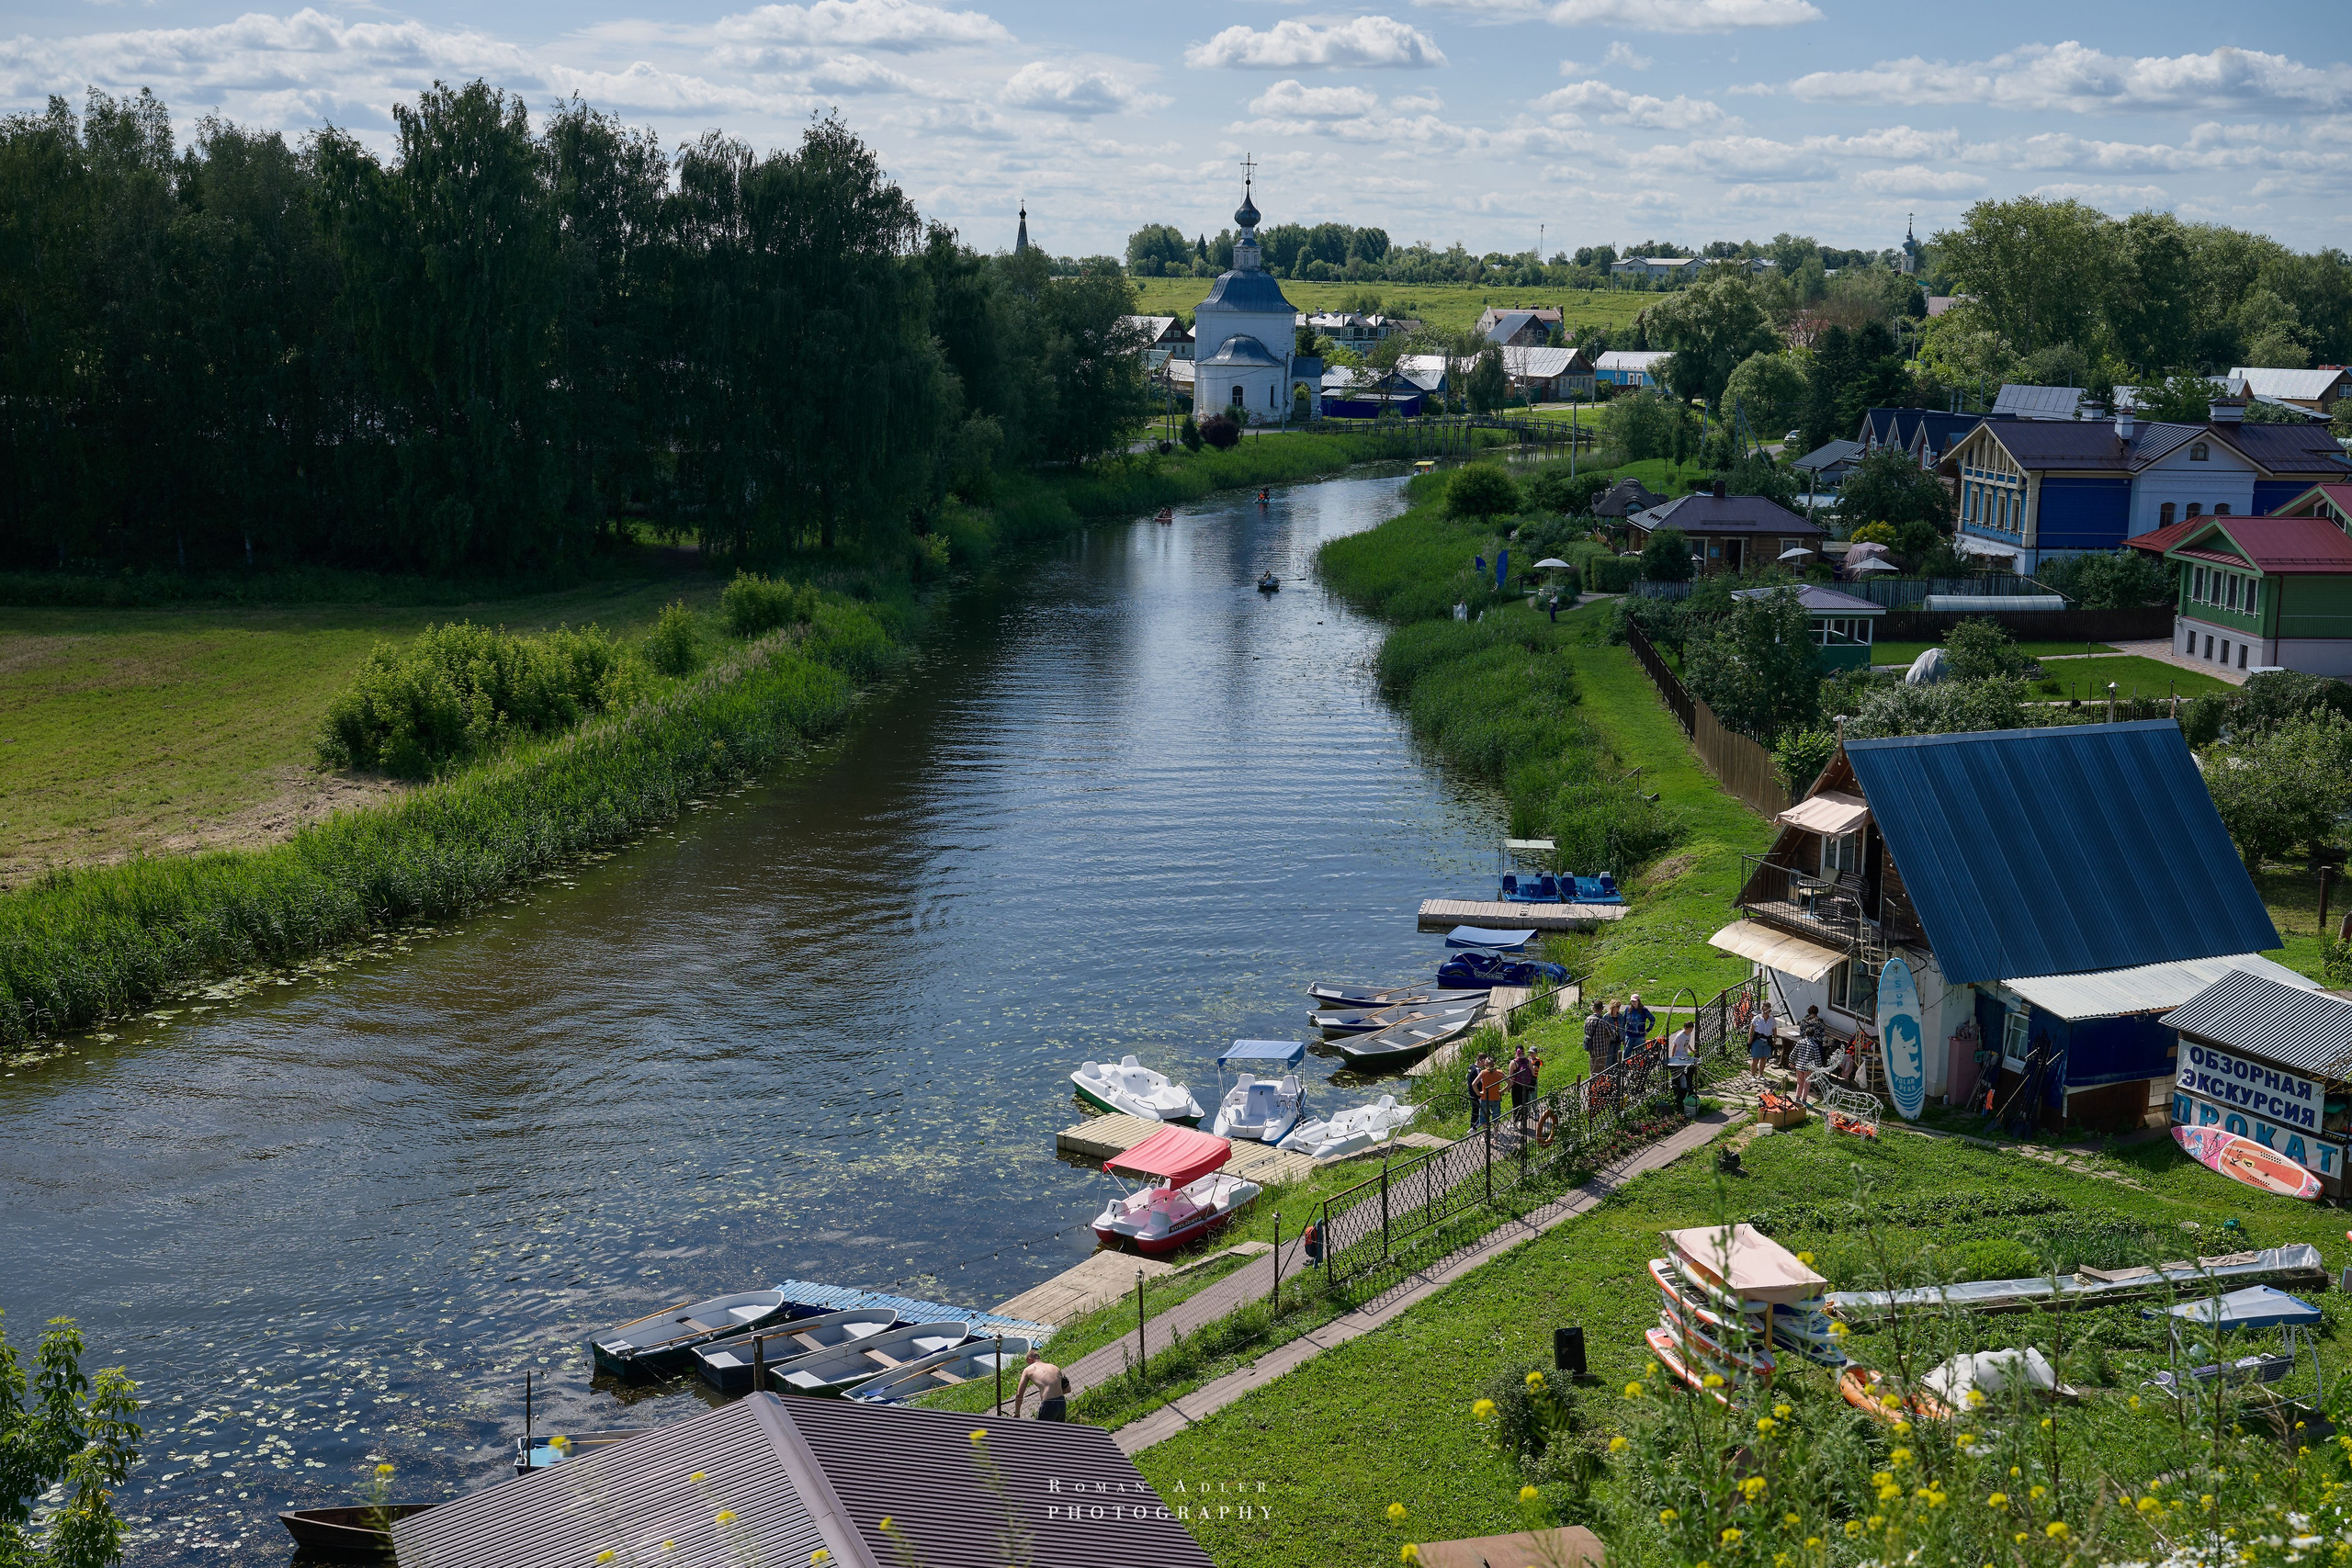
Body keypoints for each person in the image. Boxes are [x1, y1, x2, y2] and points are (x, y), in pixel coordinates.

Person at [1014, 1349, 1069, 1422]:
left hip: (1049, 1404)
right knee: (1058, 1432)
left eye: (1028, 1363)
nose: (1028, 1365)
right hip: (1061, 1402)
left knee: (1040, 1431)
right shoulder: (1054, 1367)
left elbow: (1019, 1394)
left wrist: (1017, 1413)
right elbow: (1068, 1389)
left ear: (1030, 1359)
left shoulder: (1028, 1370)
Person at [1792, 1005, 1826, 1104]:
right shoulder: (1819, 1022)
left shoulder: (1804, 1021)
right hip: (1816, 1045)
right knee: (1811, 1072)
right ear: (1817, 1012)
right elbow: (1822, 1034)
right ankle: (1809, 1092)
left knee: (1800, 1081)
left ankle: (1798, 1098)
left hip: (1804, 1044)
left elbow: (1801, 1032)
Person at [1666, 1018, 1698, 1102]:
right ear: (1686, 1028)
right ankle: (1678, 1087)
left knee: (1688, 1071)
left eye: (1692, 1030)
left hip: (1685, 1055)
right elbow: (1675, 1045)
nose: (1691, 1031)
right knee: (1680, 1073)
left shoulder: (1688, 1034)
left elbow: (1687, 1043)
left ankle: (1687, 1086)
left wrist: (1691, 1050)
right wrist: (1673, 1057)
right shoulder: (1680, 1035)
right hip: (1679, 1056)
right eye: (1690, 1029)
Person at [1475, 1055, 1507, 1131]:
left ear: (1485, 1065)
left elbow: (1474, 1084)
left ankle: (1486, 1136)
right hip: (1496, 1097)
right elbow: (1510, 1083)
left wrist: (1478, 1093)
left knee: (1484, 1117)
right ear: (1494, 1064)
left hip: (1485, 1097)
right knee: (1496, 1117)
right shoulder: (1499, 1073)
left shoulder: (1483, 1073)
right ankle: (1495, 1137)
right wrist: (1502, 1091)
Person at [1509, 1044, 1538, 1122]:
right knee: (1524, 1103)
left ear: (1516, 1052)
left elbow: (1510, 1077)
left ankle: (1515, 1122)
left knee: (1516, 1105)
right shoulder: (1528, 1061)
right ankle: (1522, 1122)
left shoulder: (1513, 1062)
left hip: (1516, 1087)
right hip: (1525, 1086)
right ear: (1523, 1051)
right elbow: (1532, 1073)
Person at [1583, 999, 1613, 1074]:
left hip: (1591, 1049)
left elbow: (1585, 1032)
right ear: (1602, 1009)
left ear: (1594, 1008)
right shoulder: (1604, 1022)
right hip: (1602, 1050)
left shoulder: (1588, 1020)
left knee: (1592, 1069)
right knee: (1600, 1071)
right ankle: (1598, 1084)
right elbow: (1612, 1035)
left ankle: (1592, 1083)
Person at [1748, 998, 1777, 1075]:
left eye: (1767, 1011)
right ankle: (1753, 1075)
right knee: (1755, 1058)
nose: (1765, 1012)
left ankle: (1761, 1074)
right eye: (1764, 1010)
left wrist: (1775, 1039)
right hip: (1758, 1040)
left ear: (1770, 1011)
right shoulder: (1757, 1018)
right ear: (1762, 1010)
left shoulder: (1772, 1020)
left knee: (1764, 1058)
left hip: (1767, 1040)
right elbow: (1752, 1028)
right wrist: (1750, 1038)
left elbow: (1774, 1029)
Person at [1623, 992, 1657, 1057]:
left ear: (1638, 1001)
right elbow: (1623, 1021)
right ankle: (1624, 1066)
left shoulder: (1644, 1010)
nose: (1633, 1003)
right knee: (1626, 1053)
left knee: (1640, 1054)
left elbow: (1652, 1019)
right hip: (1629, 1035)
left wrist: (1648, 1030)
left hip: (1640, 1036)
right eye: (1632, 1001)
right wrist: (1623, 1032)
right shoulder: (1627, 1009)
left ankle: (1639, 1067)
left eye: (1635, 1001)